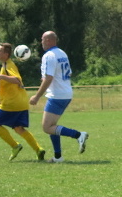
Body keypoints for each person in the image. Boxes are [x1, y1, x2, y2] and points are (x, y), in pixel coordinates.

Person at [29, 31, 88, 163]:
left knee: (47, 127)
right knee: (53, 126)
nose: (41, 42)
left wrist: (37, 96)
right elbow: (66, 74)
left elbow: (49, 78)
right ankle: (58, 157)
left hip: (57, 95)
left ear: (49, 41)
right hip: (66, 93)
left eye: (43, 39)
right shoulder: (62, 53)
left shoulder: (48, 55)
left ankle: (78, 135)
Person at [0, 42, 46, 161]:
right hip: (21, 102)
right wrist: (1, 97)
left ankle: (15, 146)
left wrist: (0, 77)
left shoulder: (9, 65)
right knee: (19, 128)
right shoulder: (5, 65)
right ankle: (38, 149)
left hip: (12, 104)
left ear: (6, 54)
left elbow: (17, 80)